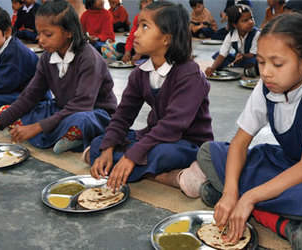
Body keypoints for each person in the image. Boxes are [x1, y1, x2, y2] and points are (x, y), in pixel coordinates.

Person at [180, 13, 302, 250]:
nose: (266, 72)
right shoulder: (267, 85)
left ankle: (273, 218)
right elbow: (239, 143)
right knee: (210, 152)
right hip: (286, 163)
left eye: (277, 64)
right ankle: (275, 216)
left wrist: (248, 196)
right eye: (261, 61)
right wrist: (230, 192)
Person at [87, 1, 214, 192]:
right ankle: (168, 177)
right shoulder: (140, 73)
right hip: (155, 136)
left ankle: (178, 172)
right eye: (137, 25)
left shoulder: (190, 75)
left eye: (145, 26)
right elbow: (122, 116)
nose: (136, 32)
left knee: (160, 154)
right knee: (100, 143)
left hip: (187, 143)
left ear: (166, 39)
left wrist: (131, 157)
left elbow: (172, 126)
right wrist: (107, 148)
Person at [0, 1, 117, 154]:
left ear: (69, 32)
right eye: (39, 33)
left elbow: (81, 105)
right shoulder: (47, 58)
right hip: (62, 108)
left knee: (81, 120)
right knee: (6, 110)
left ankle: (70, 136)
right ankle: (65, 136)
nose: (40, 40)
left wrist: (37, 127)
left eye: (48, 34)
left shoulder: (88, 58)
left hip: (93, 112)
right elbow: (30, 96)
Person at [205, 4, 260, 77]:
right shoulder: (231, 35)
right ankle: (241, 68)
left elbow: (252, 54)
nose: (250, 22)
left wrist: (243, 56)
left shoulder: (256, 34)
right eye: (245, 20)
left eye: (251, 18)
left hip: (250, 58)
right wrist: (212, 68)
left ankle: (247, 69)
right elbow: (222, 54)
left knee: (254, 61)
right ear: (235, 25)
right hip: (237, 59)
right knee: (218, 56)